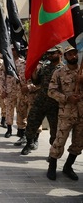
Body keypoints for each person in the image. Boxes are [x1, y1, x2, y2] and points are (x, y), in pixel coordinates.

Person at [46, 46, 83, 180]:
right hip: (66, 113)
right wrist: (67, 98)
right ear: (65, 57)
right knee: (59, 141)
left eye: (74, 54)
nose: (73, 56)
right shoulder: (59, 73)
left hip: (81, 113)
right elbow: (51, 91)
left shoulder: (81, 71)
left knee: (79, 143)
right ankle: (52, 166)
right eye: (70, 54)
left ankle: (68, 166)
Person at [21, 46, 64, 155]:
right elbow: (36, 82)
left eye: (53, 53)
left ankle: (52, 152)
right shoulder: (45, 68)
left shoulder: (64, 70)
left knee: (55, 130)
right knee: (31, 122)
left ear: (60, 53)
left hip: (55, 104)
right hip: (40, 101)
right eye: (49, 53)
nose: (50, 55)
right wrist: (34, 71)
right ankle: (29, 143)